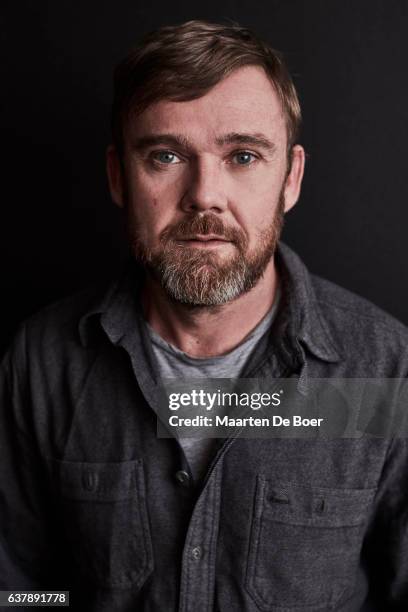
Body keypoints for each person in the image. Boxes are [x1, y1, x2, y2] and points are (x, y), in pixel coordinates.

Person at [0, 19, 407, 612]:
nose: (204, 195)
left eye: (243, 155)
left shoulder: (386, 368)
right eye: (165, 155)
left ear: (289, 179)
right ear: (119, 176)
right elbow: (21, 590)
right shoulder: (43, 364)